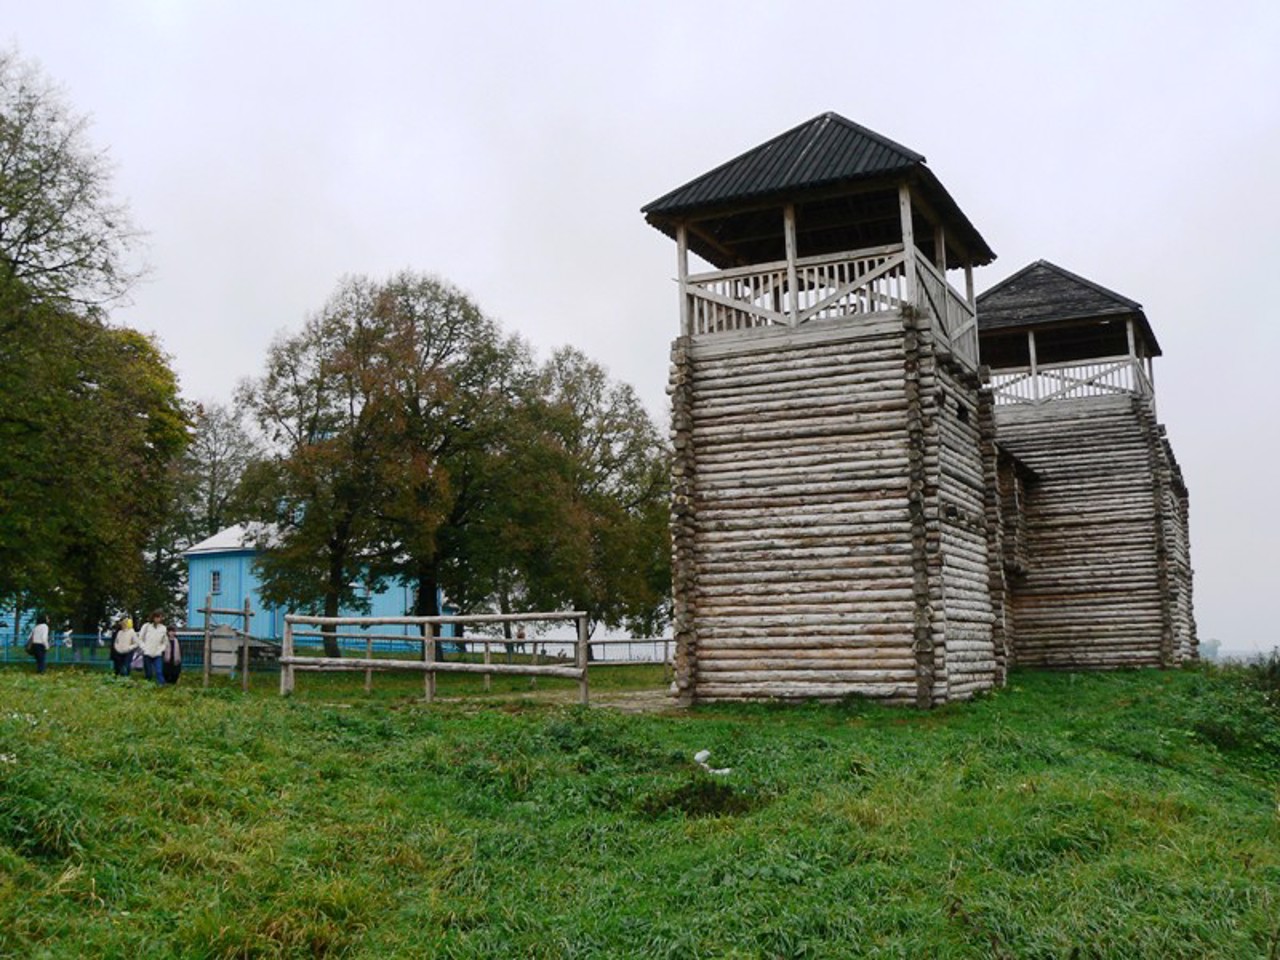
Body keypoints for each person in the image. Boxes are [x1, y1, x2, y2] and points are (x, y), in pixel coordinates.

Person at [137, 610, 168, 686]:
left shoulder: (163, 628)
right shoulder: (146, 626)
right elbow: (140, 639)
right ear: (153, 617)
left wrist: (161, 649)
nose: (159, 619)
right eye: (157, 617)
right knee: (149, 672)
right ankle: (148, 685)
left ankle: (162, 685)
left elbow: (165, 642)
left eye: (160, 617)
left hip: (157, 654)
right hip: (147, 653)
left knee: (159, 671)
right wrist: (144, 648)